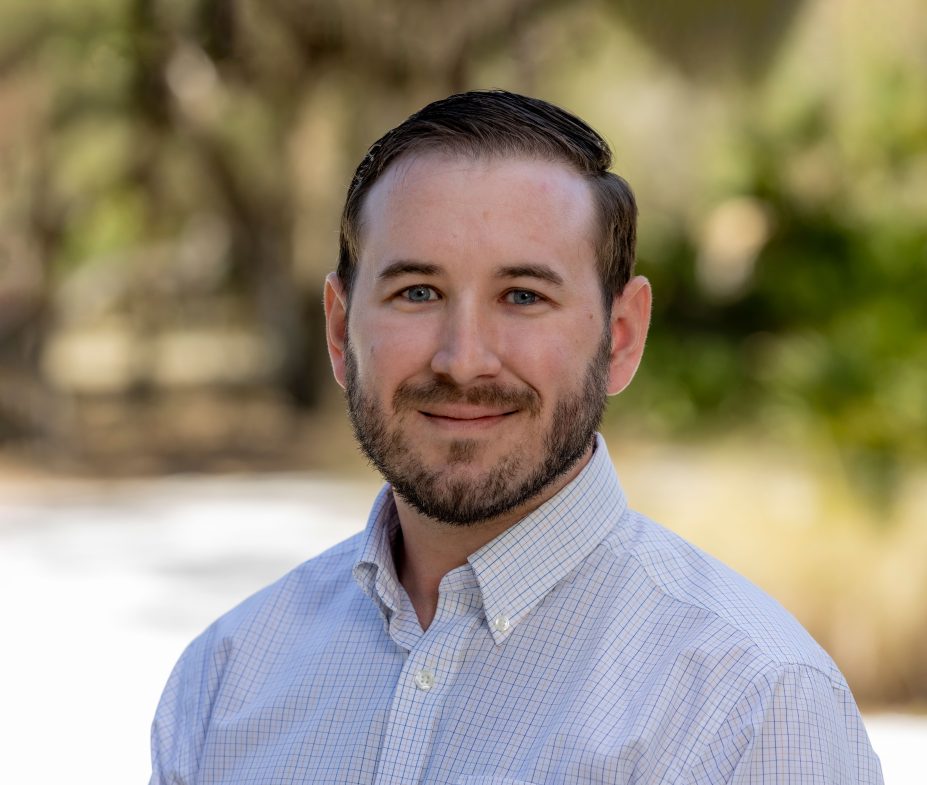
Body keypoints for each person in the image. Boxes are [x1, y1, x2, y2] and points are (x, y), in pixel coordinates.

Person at [150, 90, 884, 784]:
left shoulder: (751, 706)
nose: (463, 359)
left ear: (622, 337)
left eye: (524, 296)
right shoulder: (225, 681)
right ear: (341, 332)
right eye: (417, 292)